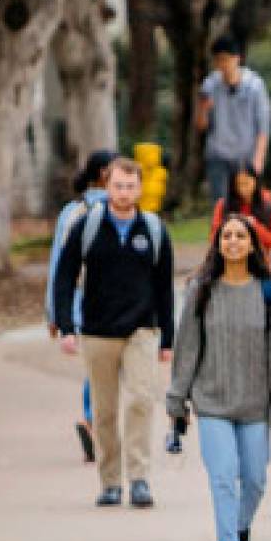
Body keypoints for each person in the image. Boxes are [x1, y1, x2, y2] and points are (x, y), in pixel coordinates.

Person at [167, 215, 271, 541]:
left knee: (254, 479)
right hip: (212, 402)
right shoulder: (201, 291)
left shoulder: (268, 292)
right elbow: (186, 350)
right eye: (227, 236)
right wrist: (177, 400)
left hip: (254, 404)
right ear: (218, 244)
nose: (233, 241)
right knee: (223, 475)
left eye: (240, 236)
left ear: (253, 245)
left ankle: (241, 528)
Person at [53, 158, 175, 509]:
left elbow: (164, 287)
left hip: (142, 330)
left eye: (130, 187)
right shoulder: (87, 226)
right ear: (107, 187)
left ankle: (139, 478)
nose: (123, 193)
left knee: (140, 400)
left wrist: (167, 338)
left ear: (139, 189)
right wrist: (66, 326)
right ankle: (110, 482)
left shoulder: (152, 230)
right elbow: (65, 275)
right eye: (118, 186)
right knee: (104, 411)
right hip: (97, 331)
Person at [47, 149, 115, 464]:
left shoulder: (70, 211)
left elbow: (57, 267)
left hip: (78, 300)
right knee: (102, 364)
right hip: (96, 300)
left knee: (97, 364)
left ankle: (94, 419)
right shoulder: (113, 209)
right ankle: (93, 420)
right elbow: (64, 265)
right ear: (103, 173)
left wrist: (54, 312)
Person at [198, 37, 271, 203]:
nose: (222, 65)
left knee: (245, 204)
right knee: (220, 205)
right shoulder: (210, 85)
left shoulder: (254, 86)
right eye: (218, 60)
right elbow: (202, 126)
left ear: (237, 58)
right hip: (218, 153)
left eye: (226, 59)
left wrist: (258, 159)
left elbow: (263, 126)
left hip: (245, 155)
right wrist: (203, 108)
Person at [209, 165, 271, 257]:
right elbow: (214, 239)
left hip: (259, 265)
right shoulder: (223, 205)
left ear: (255, 181)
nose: (243, 189)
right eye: (239, 184)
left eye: (246, 183)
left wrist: (254, 226)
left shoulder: (269, 205)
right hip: (229, 264)